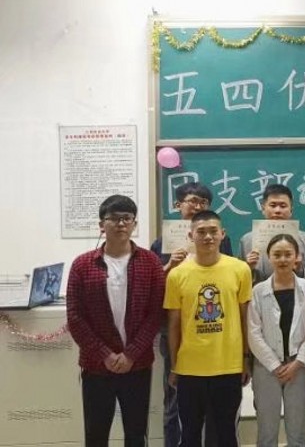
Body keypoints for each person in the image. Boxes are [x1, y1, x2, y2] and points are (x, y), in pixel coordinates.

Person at [66, 195, 165, 447]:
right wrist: (105, 355)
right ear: (102, 224)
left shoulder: (150, 262)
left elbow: (156, 314)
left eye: (127, 218)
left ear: (134, 224)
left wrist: (130, 354)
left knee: (136, 434)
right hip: (96, 366)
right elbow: (75, 317)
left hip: (137, 365)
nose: (121, 224)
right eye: (114, 218)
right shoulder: (82, 265)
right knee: (96, 434)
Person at [149, 181, 233, 447]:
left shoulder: (221, 240)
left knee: (215, 400)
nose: (197, 206)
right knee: (175, 395)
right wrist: (169, 266)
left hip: (213, 327)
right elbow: (152, 286)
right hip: (174, 326)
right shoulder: (161, 243)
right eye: (192, 201)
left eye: (203, 202)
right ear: (178, 205)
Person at [164, 210, 252, 447]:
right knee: (190, 434)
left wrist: (245, 359)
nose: (208, 237)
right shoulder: (177, 275)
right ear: (190, 236)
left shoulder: (240, 269)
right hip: (190, 368)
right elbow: (173, 324)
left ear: (223, 234)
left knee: (225, 434)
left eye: (213, 231)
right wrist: (174, 366)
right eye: (201, 232)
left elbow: (245, 318)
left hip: (228, 366)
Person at [248, 234, 305, 447]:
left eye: (288, 254)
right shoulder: (258, 291)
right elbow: (253, 332)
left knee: (297, 430)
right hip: (266, 368)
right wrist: (275, 365)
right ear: (269, 257)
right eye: (277, 255)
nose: (283, 259)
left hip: (297, 366)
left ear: (297, 257)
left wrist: (298, 362)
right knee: (267, 431)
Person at [240, 184, 305, 284]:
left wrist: (300, 270)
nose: (277, 210)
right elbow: (237, 281)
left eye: (283, 206)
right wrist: (248, 268)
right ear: (263, 209)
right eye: (273, 205)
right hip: (258, 293)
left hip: (297, 293)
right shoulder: (247, 241)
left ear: (291, 210)